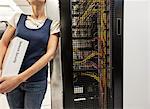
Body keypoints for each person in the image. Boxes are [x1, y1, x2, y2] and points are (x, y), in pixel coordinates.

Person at [0, 0, 60, 109]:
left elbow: (50, 54)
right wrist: (1, 70)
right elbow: (3, 43)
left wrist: (19, 79)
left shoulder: (53, 24)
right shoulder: (17, 18)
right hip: (11, 76)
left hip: (36, 81)